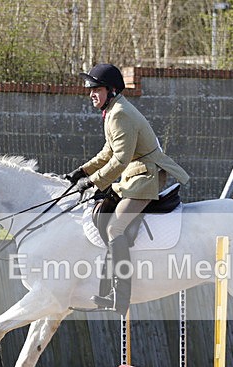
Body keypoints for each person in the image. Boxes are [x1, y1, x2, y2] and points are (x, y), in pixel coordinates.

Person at [63, 63, 191, 315]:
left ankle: (119, 297)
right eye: (90, 89)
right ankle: (104, 287)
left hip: (144, 177)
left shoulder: (120, 113)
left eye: (96, 89)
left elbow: (120, 160)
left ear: (111, 90)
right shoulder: (112, 111)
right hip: (132, 176)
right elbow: (107, 152)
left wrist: (91, 182)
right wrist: (82, 171)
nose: (91, 94)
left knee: (115, 227)